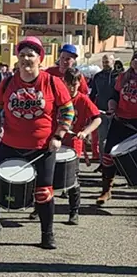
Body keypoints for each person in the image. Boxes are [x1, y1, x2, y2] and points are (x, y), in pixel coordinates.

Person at [0, 36, 74, 249]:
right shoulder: (8, 82)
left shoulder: (52, 82)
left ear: (40, 59)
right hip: (10, 144)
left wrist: (58, 136)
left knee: (43, 192)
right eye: (21, 55)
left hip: (42, 146)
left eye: (30, 55)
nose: (25, 59)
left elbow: (68, 111)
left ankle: (47, 234)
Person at [47, 68, 101, 225]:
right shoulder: (56, 97)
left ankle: (73, 212)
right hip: (54, 141)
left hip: (73, 145)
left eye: (75, 84)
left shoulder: (83, 100)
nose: (71, 88)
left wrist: (85, 132)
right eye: (68, 84)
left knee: (72, 180)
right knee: (46, 177)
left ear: (79, 83)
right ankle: (40, 208)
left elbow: (97, 119)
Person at [97, 52, 137, 206]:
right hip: (120, 121)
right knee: (108, 156)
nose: (136, 62)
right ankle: (106, 190)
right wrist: (112, 105)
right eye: (134, 59)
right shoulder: (123, 77)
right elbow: (114, 95)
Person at [89, 53, 120, 165]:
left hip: (116, 113)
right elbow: (93, 94)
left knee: (115, 139)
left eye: (107, 62)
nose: (105, 64)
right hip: (101, 112)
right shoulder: (97, 77)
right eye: (103, 62)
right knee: (102, 140)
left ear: (113, 62)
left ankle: (116, 165)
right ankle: (103, 164)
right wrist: (90, 109)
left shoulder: (119, 76)